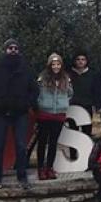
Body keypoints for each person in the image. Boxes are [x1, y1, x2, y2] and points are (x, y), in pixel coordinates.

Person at [0, 39, 39, 191]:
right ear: (5, 50)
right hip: (0, 113)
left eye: (15, 48)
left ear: (19, 50)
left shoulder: (26, 69)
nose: (13, 50)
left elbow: (34, 90)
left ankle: (22, 177)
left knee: (21, 146)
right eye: (10, 48)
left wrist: (26, 103)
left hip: (20, 113)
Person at [36, 53, 73, 181]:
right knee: (42, 141)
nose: (56, 66)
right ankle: (40, 168)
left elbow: (70, 93)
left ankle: (49, 167)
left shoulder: (65, 79)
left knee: (53, 142)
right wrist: (41, 103)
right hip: (45, 113)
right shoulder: (43, 78)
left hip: (59, 115)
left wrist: (64, 103)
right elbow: (37, 92)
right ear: (49, 65)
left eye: (58, 64)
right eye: (53, 64)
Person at [69, 51, 96, 135]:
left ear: (86, 61)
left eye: (83, 59)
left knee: (87, 132)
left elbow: (95, 91)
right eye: (78, 59)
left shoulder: (92, 74)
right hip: (73, 107)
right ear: (74, 61)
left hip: (86, 107)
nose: (80, 61)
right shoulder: (69, 74)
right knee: (73, 133)